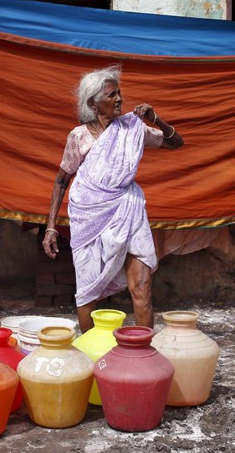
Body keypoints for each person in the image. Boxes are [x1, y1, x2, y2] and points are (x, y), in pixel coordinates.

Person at [42, 65, 184, 332]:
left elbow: (176, 143)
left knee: (142, 287)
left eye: (119, 93)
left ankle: (144, 354)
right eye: (111, 95)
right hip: (89, 218)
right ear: (93, 105)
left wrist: (156, 119)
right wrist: (50, 227)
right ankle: (90, 355)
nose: (119, 99)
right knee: (88, 293)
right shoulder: (79, 136)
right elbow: (62, 181)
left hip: (128, 210)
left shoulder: (133, 128)